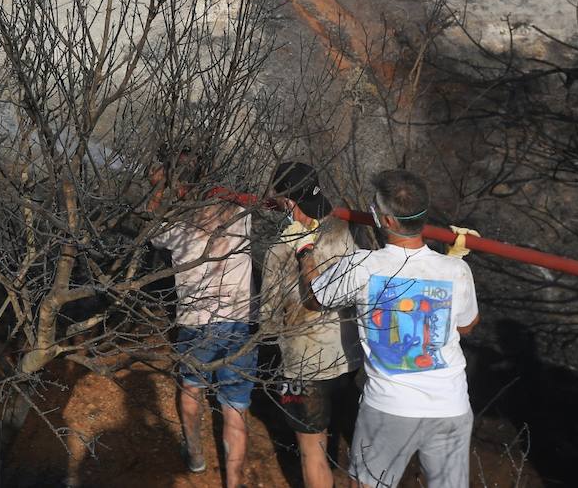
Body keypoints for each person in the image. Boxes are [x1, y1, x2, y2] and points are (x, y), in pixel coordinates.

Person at [299, 170, 480, 488]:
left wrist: (304, 252)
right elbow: (466, 326)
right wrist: (452, 267)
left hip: (390, 407)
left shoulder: (362, 266)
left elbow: (314, 298)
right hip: (451, 406)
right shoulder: (455, 269)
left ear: (387, 220)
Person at [148, 150, 255, 488]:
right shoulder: (241, 214)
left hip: (196, 323)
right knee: (235, 408)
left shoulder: (177, 226)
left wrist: (158, 187)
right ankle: (233, 482)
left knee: (191, 387)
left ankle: (195, 454)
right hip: (239, 321)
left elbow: (151, 225)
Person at [261, 162, 362, 488]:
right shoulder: (345, 232)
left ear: (289, 202)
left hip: (302, 368)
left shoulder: (280, 248)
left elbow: (267, 319)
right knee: (352, 443)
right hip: (350, 360)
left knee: (311, 450)